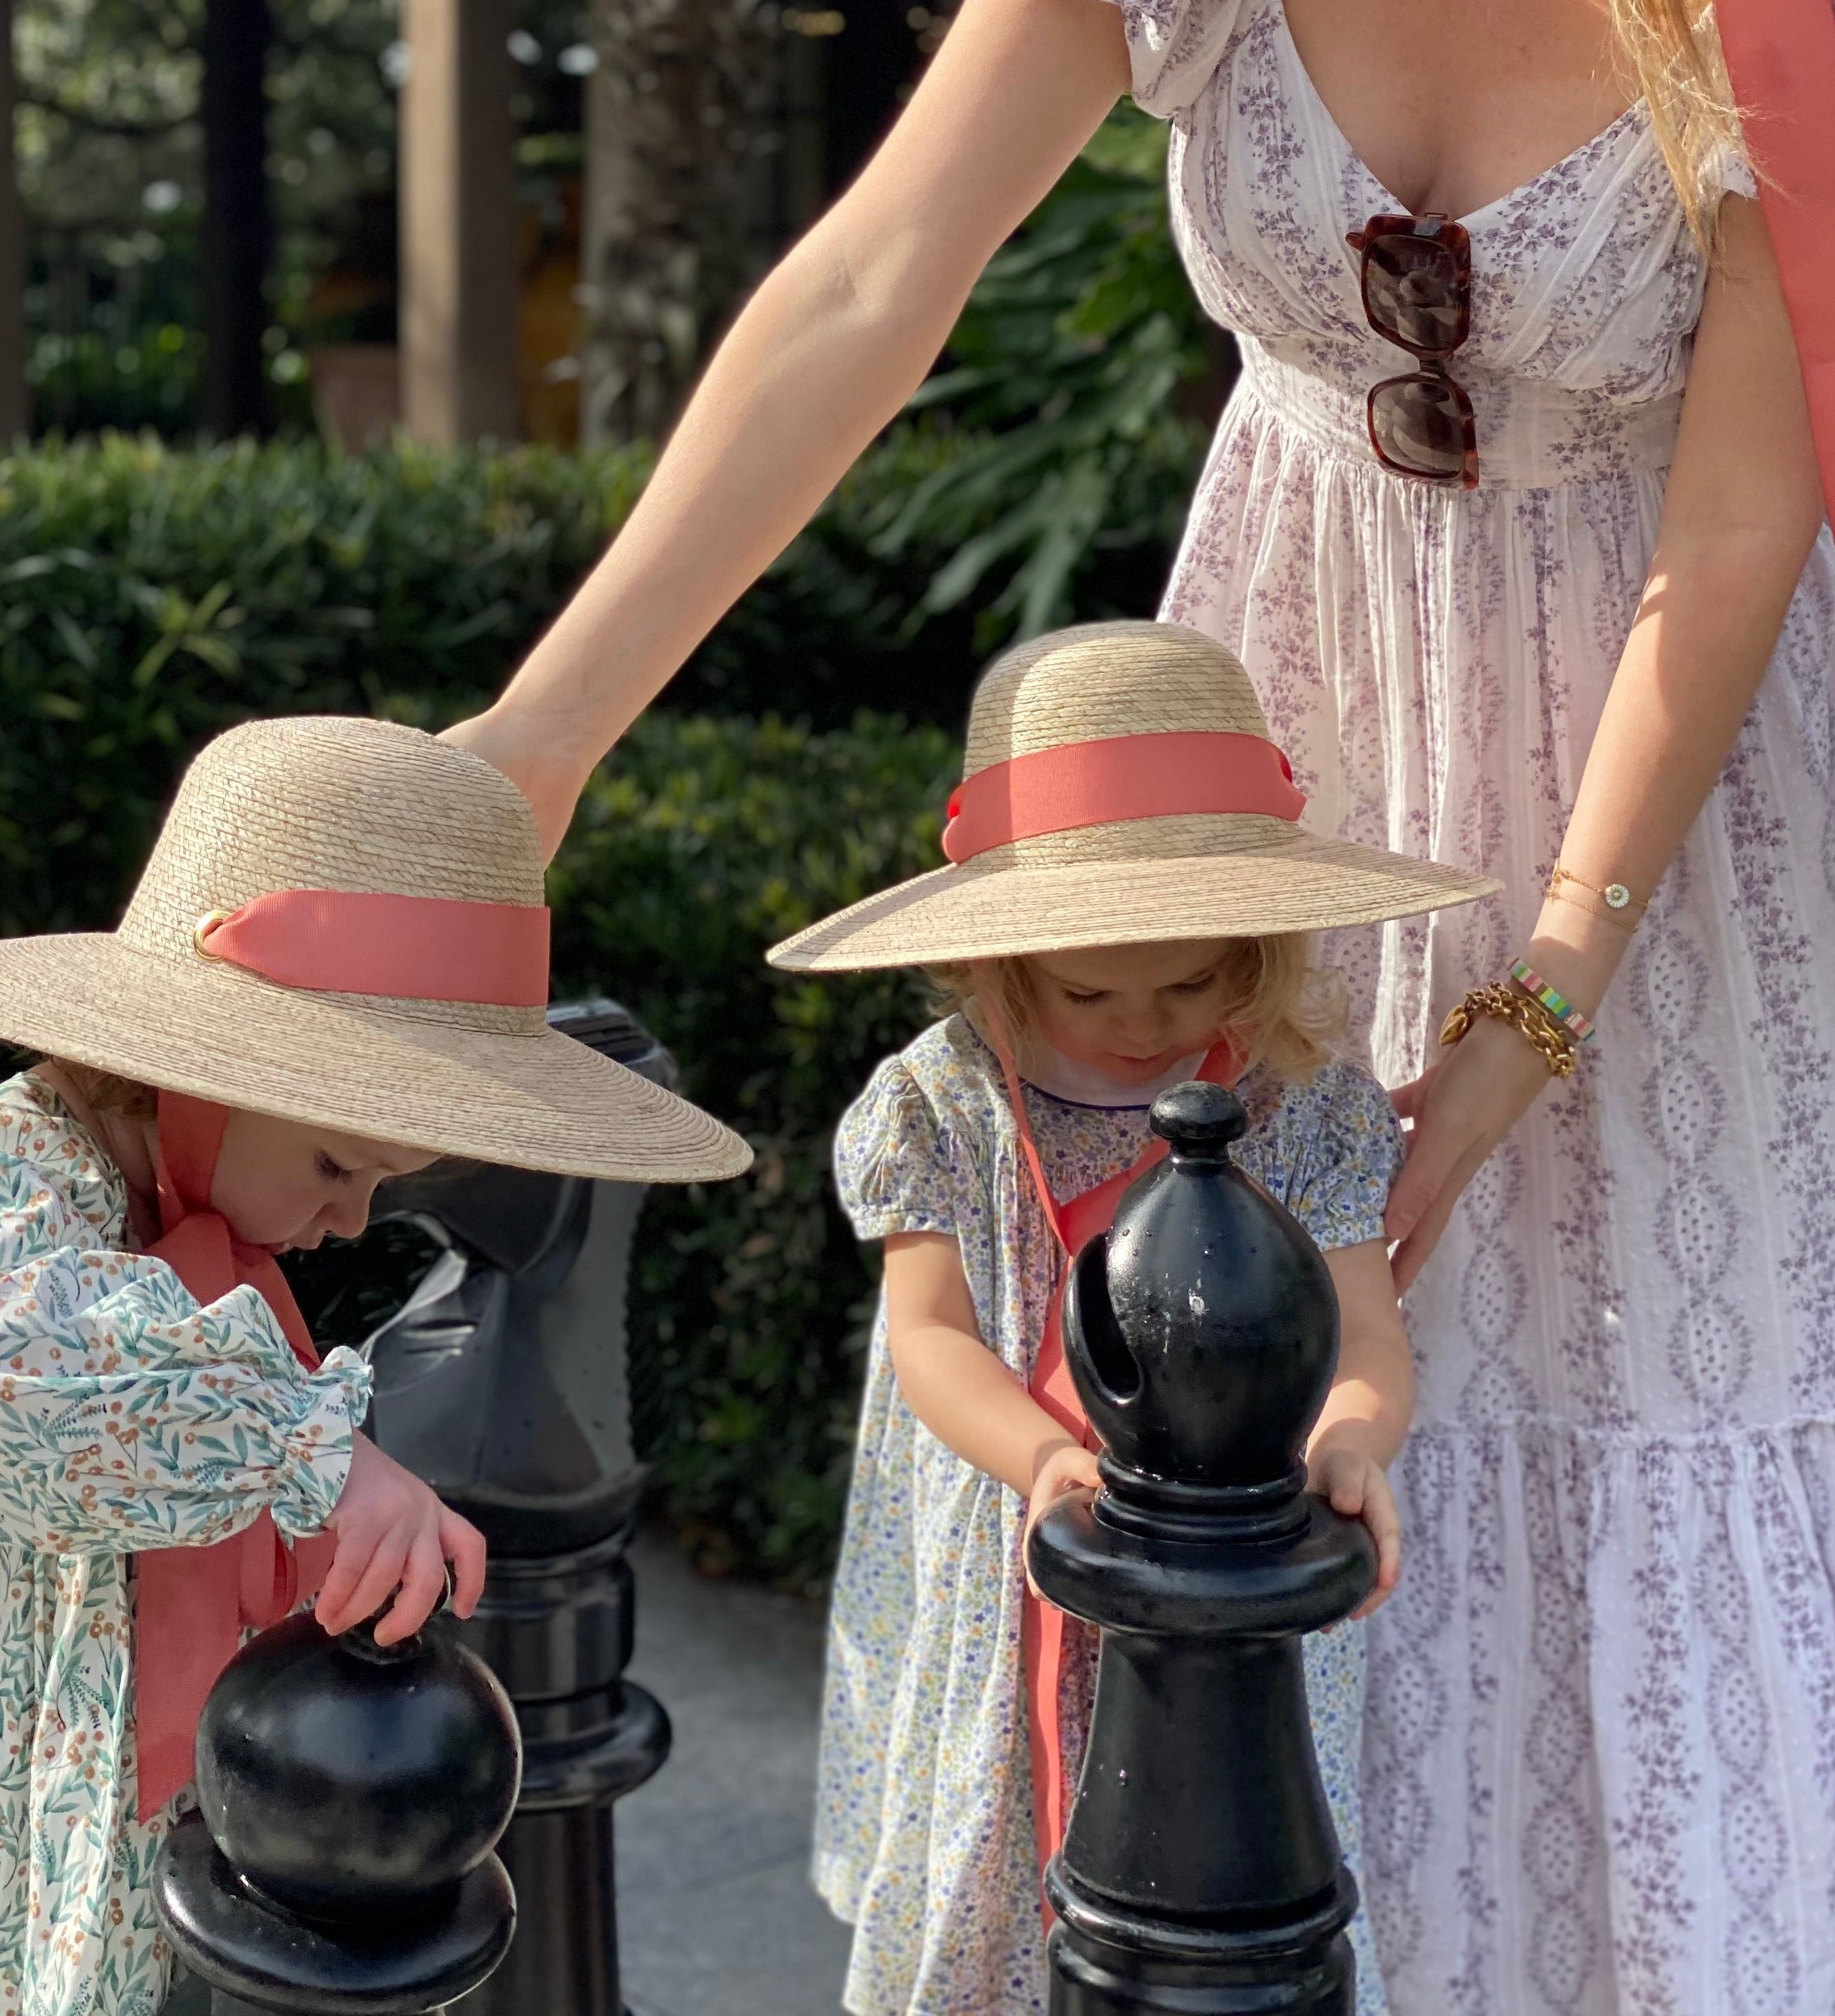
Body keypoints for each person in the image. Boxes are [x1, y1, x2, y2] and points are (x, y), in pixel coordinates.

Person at [442, 0, 1835, 2002]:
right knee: (1191, 1441)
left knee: (1632, 1426)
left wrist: (1537, 998)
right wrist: (544, 741)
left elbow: (1735, 522)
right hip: (1264, 792)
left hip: (1665, 841)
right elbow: (870, 274)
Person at [0, 714, 749, 2016]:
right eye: (334, 1162)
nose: (354, 1220)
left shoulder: (172, 1223)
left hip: (67, 1845)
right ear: (190, 1071)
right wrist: (309, 1450)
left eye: (381, 1178)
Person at [766, 619, 1499, 2015]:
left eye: (1188, 983)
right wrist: (1039, 1459)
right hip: (1020, 1536)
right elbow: (930, 1333)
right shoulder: (946, 1103)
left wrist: (1354, 1436)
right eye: (1089, 990)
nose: (1140, 1022)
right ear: (1006, 958)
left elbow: (1366, 1326)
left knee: (1230, 1881)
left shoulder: (1303, 1105)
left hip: (1232, 1556)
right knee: (1011, 1843)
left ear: (1256, 948)